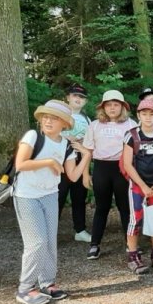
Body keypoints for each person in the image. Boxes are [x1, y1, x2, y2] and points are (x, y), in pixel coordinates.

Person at [14, 100, 91, 304]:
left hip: (50, 195)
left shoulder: (65, 145)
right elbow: (20, 164)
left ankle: (47, 283)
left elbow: (73, 176)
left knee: (49, 242)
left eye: (54, 118)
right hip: (26, 195)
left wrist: (87, 155)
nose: (48, 121)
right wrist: (49, 162)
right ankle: (25, 288)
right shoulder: (33, 136)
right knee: (37, 242)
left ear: (64, 123)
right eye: (45, 117)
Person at [82, 90, 137, 260]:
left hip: (122, 168)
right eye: (109, 105)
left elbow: (136, 150)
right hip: (101, 168)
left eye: (116, 105)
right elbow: (88, 151)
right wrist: (85, 173)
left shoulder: (131, 124)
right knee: (101, 207)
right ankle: (95, 245)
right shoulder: (95, 125)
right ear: (103, 107)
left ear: (122, 107)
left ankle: (130, 244)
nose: (112, 108)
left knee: (125, 207)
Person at [122, 97, 153, 274]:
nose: (148, 117)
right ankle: (133, 256)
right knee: (135, 219)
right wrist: (143, 185)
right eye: (144, 114)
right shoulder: (131, 136)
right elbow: (127, 164)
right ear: (138, 115)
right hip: (138, 186)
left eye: (152, 114)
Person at [59, 83, 92, 243]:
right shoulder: (59, 114)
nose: (78, 99)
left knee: (79, 196)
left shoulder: (87, 119)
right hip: (60, 160)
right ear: (68, 97)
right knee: (58, 196)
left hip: (79, 159)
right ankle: (48, 231)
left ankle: (80, 230)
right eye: (75, 96)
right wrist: (66, 138)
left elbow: (90, 144)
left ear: (85, 101)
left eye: (82, 97)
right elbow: (48, 133)